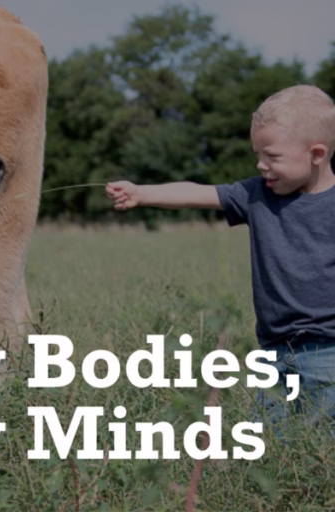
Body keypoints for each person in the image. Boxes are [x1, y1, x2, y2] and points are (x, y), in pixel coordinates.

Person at [105, 84, 335, 434]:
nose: (261, 165)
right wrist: (141, 192)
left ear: (317, 154)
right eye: (257, 154)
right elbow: (198, 193)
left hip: (328, 350)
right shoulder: (256, 195)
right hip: (272, 349)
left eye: (272, 157)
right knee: (266, 438)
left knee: (324, 439)